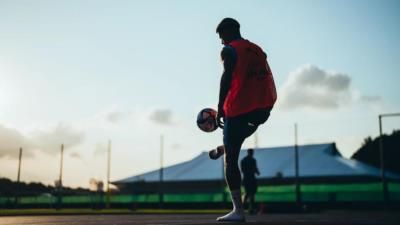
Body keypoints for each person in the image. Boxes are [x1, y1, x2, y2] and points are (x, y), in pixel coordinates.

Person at [208, 18, 277, 222]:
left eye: (222, 37)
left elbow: (226, 77)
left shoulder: (230, 50)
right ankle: (224, 147)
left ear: (229, 31)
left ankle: (238, 211)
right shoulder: (256, 48)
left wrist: (220, 107)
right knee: (239, 137)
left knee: (231, 160)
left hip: (240, 108)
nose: (222, 42)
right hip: (264, 107)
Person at [241, 148, 260, 214]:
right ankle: (248, 208)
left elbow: (243, 169)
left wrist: (256, 171)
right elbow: (244, 170)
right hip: (249, 179)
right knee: (249, 193)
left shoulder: (248, 160)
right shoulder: (250, 160)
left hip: (249, 179)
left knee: (249, 193)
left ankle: (248, 208)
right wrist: (256, 171)